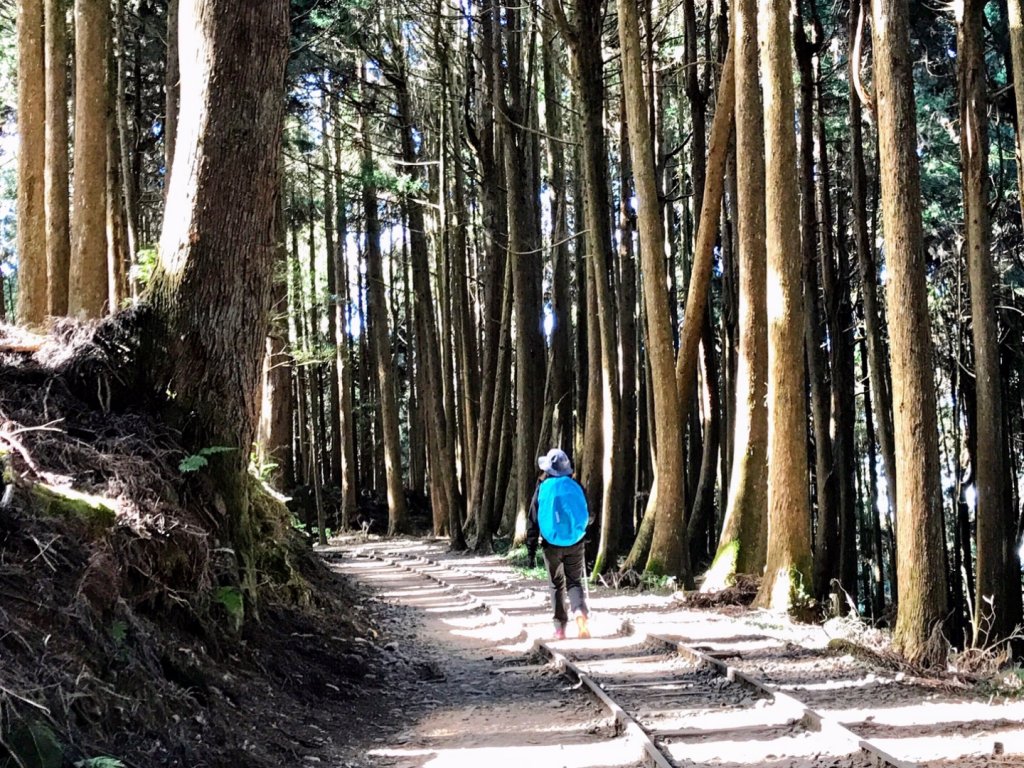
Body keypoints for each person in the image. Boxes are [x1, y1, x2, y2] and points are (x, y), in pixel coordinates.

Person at [526, 448, 591, 640]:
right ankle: (580, 615)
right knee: (574, 581)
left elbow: (533, 519)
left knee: (556, 584)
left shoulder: (543, 487)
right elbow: (589, 514)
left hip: (550, 544)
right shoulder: (575, 486)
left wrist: (530, 550)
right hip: (575, 542)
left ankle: (560, 628)